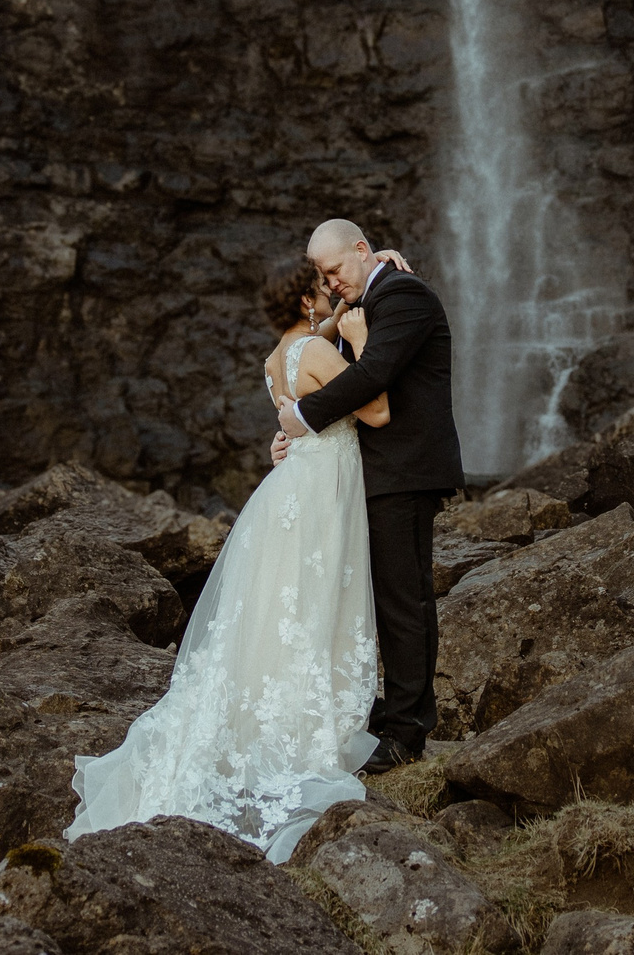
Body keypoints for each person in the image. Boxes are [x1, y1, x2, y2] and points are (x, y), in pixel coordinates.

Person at [63, 258, 395, 861]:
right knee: (313, 601)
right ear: (303, 300)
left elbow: (307, 398)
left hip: (289, 494)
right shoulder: (323, 354)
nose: (333, 292)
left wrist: (351, 300)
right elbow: (376, 412)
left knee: (274, 612)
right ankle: (309, 727)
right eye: (325, 287)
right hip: (320, 496)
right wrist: (365, 340)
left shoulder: (276, 361)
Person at [276, 216, 460, 770]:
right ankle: (393, 711)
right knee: (385, 600)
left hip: (403, 473)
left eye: (336, 270)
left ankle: (407, 733)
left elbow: (372, 371)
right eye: (323, 275)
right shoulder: (370, 294)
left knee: (405, 603)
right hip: (374, 473)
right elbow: (318, 354)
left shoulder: (401, 294)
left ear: (362, 250)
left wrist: (299, 419)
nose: (331, 282)